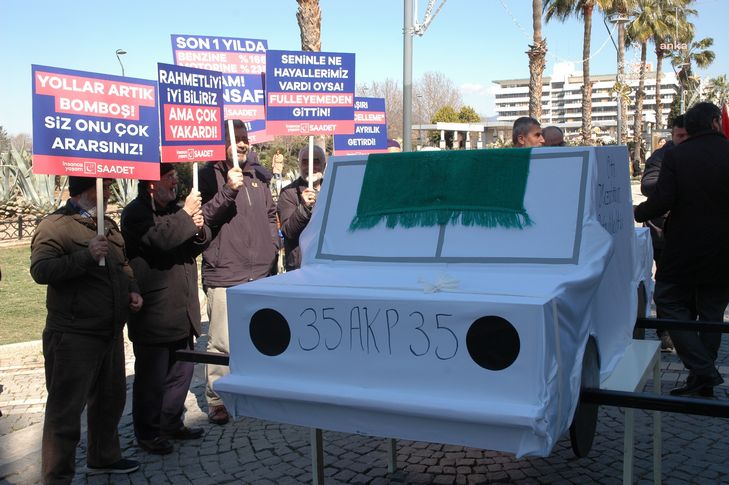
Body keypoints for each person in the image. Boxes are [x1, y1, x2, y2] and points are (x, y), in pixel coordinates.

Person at [30, 177, 143, 483]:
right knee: (65, 411)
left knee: (111, 399)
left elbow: (123, 264)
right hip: (73, 333)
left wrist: (132, 288)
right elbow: (41, 270)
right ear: (87, 188)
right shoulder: (55, 225)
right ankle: (57, 477)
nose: (109, 191)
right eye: (105, 186)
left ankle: (103, 456)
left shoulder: (107, 223)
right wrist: (86, 255)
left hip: (109, 329)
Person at [634, 102, 729, 397]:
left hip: (684, 248)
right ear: (715, 122)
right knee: (712, 311)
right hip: (724, 248)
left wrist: (637, 212)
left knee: (668, 301)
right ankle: (702, 376)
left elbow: (662, 200)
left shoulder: (677, 156)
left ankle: (702, 372)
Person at [121, 163, 211, 455]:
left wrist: (198, 230)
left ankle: (171, 422)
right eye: (169, 177)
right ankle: (148, 433)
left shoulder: (174, 209)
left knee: (181, 373)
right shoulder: (136, 213)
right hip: (155, 312)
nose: (175, 182)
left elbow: (192, 243)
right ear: (151, 184)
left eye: (174, 176)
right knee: (151, 380)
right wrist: (186, 216)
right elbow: (160, 240)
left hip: (182, 309)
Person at [198, 120, 279, 424]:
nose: (243, 143)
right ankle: (217, 398)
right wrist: (227, 192)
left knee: (257, 337)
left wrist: (272, 246)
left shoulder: (258, 177)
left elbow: (271, 216)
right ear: (224, 142)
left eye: (245, 139)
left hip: (260, 273)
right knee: (222, 341)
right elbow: (202, 221)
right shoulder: (208, 177)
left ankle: (254, 391)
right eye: (236, 139)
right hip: (225, 273)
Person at [640, 115, 688, 353]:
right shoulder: (660, 156)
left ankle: (688, 336)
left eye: (687, 136)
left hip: (691, 234)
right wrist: (674, 182)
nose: (683, 140)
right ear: (672, 135)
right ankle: (667, 334)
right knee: (666, 289)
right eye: (679, 136)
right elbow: (647, 185)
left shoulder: (696, 154)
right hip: (661, 232)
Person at [277, 145, 327, 271]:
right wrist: (304, 208)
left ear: (324, 165)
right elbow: (288, 231)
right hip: (301, 266)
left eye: (316, 162)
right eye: (305, 162)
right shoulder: (288, 193)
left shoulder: (333, 189)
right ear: (299, 165)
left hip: (328, 264)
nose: (311, 167)